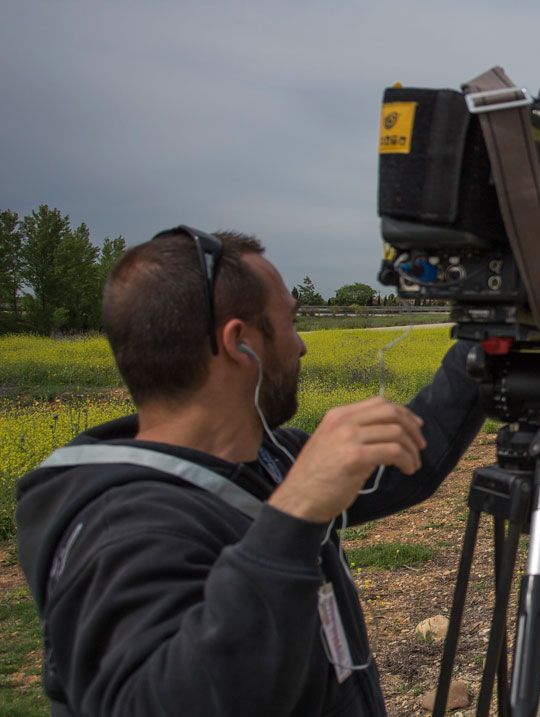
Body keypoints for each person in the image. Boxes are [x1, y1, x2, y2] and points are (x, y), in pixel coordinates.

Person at [15, 227, 486, 716]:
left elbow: (405, 467)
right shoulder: (120, 528)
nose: (301, 346)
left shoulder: (263, 457)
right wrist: (295, 513)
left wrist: (484, 343)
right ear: (241, 344)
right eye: (289, 323)